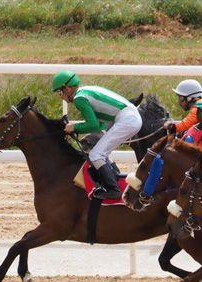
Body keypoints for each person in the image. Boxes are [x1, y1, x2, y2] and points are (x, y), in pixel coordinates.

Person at [52, 70, 142, 199]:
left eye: (59, 92)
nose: (60, 96)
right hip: (128, 117)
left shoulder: (79, 99)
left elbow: (93, 124)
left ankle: (113, 189)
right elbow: (100, 125)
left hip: (127, 120)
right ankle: (114, 178)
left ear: (67, 88)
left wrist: (74, 127)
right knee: (95, 148)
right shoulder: (85, 91)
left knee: (96, 154)